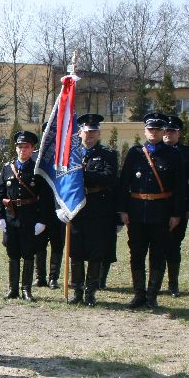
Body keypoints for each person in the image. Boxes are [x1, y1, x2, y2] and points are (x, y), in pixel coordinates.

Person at [117, 112, 185, 309]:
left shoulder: (173, 155)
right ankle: (139, 293)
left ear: (164, 130)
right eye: (150, 129)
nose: (153, 132)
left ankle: (152, 295)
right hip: (137, 211)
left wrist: (176, 214)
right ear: (145, 130)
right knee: (136, 253)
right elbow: (124, 184)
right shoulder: (135, 153)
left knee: (158, 253)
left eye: (157, 129)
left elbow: (180, 188)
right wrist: (122, 209)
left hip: (161, 212)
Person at [56, 114, 118, 306]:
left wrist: (84, 173)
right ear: (79, 133)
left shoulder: (108, 154)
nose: (89, 136)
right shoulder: (71, 155)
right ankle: (77, 291)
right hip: (76, 208)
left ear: (98, 133)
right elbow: (62, 180)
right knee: (76, 252)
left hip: (98, 209)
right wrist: (61, 206)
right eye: (86, 132)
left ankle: (91, 292)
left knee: (95, 252)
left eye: (93, 132)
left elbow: (108, 177)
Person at [0, 131, 51, 302]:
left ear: (32, 148)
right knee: (13, 253)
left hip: (30, 218)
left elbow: (46, 198)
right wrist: (0, 217)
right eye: (19, 147)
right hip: (11, 217)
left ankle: (26, 289)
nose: (22, 150)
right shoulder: (7, 168)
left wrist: (42, 221)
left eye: (26, 147)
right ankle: (13, 289)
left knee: (28, 253)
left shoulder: (38, 170)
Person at [162, 115, 189, 296]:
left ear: (179, 133)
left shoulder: (188, 153)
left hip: (179, 206)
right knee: (156, 245)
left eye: (172, 131)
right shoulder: (153, 151)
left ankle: (173, 283)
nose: (168, 133)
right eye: (166, 130)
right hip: (156, 205)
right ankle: (154, 283)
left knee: (173, 245)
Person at [34, 121, 64, 290]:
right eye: (48, 134)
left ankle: (53, 277)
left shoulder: (64, 159)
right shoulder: (35, 158)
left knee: (57, 244)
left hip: (59, 209)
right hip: (40, 209)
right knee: (39, 245)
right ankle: (40, 277)